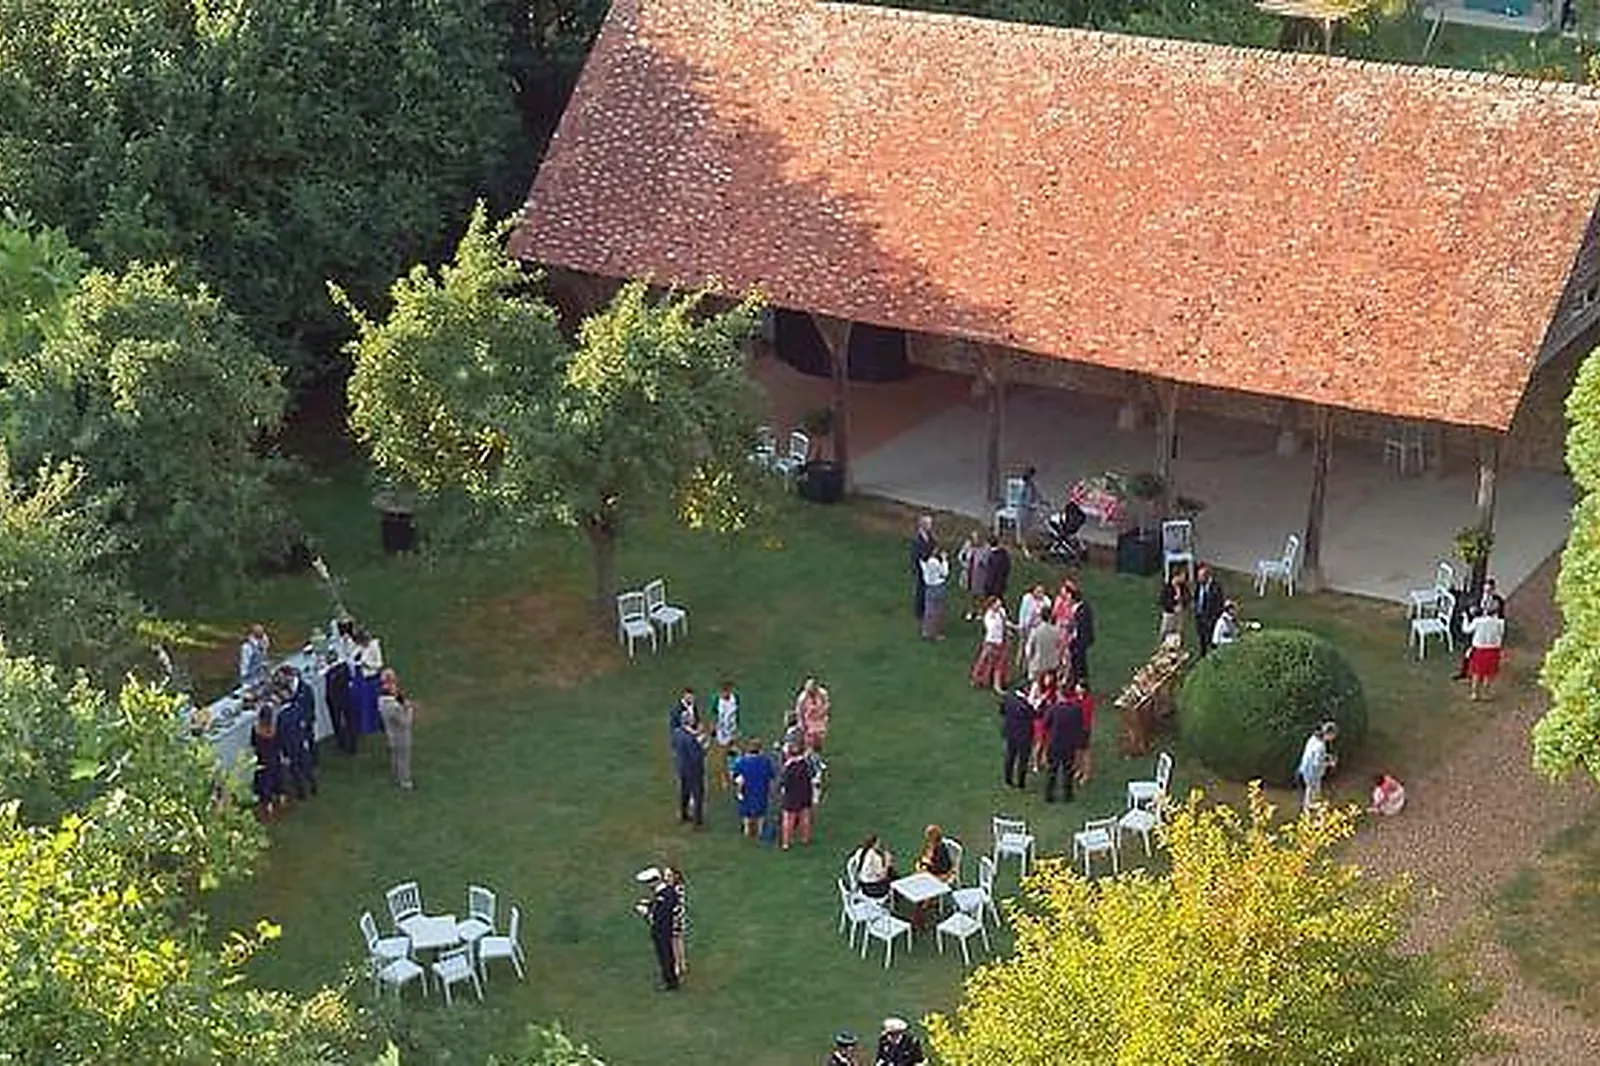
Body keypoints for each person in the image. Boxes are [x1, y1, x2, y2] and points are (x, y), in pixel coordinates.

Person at [637, 867, 684, 991]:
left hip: (663, 931)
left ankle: (670, 982)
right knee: (666, 955)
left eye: (648, 883)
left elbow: (659, 917)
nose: (648, 886)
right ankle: (671, 979)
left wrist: (645, 912)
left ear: (655, 881)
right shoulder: (666, 892)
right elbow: (659, 904)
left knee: (665, 956)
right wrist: (649, 903)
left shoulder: (665, 895)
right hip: (664, 929)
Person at [275, 667, 317, 800]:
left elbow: (281, 734)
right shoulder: (297, 709)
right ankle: (313, 785)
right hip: (300, 741)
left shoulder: (282, 716)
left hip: (291, 745)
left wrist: (284, 751)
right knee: (305, 766)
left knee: (296, 769)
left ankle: (302, 792)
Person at [1453, 577, 1506, 681]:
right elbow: (1471, 607)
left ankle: (1474, 673)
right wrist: (1472, 612)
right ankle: (1465, 672)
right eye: (1485, 590)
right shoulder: (1478, 597)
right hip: (1477, 625)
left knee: (1475, 651)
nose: (1487, 592)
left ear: (1493, 589)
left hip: (1487, 627)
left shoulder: (1498, 600)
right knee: (1468, 651)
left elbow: (1500, 615)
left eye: (1489, 590)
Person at [1043, 688, 1087, 804]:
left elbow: (1046, 724)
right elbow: (1080, 726)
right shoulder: (1076, 709)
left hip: (1055, 743)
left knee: (1052, 770)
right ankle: (1068, 795)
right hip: (1069, 744)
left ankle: (1049, 795)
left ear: (1060, 695)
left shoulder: (1053, 708)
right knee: (1068, 770)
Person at [377, 667, 416, 790]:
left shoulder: (382, 699)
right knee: (403, 758)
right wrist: (409, 710)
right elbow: (406, 722)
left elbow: (398, 699)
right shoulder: (393, 707)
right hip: (400, 735)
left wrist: (401, 700)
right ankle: (405, 782)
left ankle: (395, 777)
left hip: (391, 734)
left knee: (395, 756)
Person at [1462, 599, 1507, 702]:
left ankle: (1474, 693)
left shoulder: (1478, 621)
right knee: (1488, 673)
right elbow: (1501, 634)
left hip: (1479, 649)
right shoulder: (1500, 622)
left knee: (1476, 672)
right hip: (1494, 650)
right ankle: (1485, 693)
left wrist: (1465, 618)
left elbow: (1466, 630)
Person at [732, 739, 775, 839]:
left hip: (747, 789)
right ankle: (760, 830)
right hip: (761, 789)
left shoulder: (742, 761)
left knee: (746, 811)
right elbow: (771, 775)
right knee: (761, 811)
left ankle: (747, 830)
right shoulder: (765, 761)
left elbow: (736, 776)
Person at [672, 717, 707, 827]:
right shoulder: (691, 740)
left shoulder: (677, 733)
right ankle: (697, 821)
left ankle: (683, 814)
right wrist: (703, 747)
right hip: (694, 770)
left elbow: (674, 746)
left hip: (682, 767)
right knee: (698, 795)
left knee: (684, 792)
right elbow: (696, 756)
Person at [779, 744, 816, 850]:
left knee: (788, 819)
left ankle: (786, 842)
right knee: (805, 816)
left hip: (791, 795)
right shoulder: (805, 764)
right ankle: (806, 838)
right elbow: (812, 775)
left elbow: (784, 782)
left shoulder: (789, 767)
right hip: (805, 793)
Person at [999, 684, 1036, 789]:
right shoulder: (1025, 704)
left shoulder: (1009, 698)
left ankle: (1008, 780)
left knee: (1010, 756)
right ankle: (1021, 782)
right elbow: (1033, 714)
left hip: (1010, 732)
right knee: (1023, 759)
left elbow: (1002, 711)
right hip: (1024, 734)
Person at [970, 597, 1009, 693]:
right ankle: (978, 679)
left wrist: (1011, 628)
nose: (999, 605)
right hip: (992, 642)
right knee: (985, 662)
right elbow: (991, 630)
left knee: (999, 663)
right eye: (997, 603)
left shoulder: (1002, 611)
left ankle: (996, 683)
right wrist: (991, 645)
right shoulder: (989, 616)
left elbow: (1004, 623)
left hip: (1001, 641)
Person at [1297, 721, 1339, 811]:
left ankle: (1307, 808)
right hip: (1312, 773)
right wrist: (1330, 763)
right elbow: (1317, 763)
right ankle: (1309, 810)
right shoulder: (1321, 746)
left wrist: (1326, 756)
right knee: (1313, 797)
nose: (1333, 738)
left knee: (1310, 793)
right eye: (1333, 736)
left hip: (1305, 769)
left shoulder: (1313, 738)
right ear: (1329, 734)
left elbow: (1313, 754)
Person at [250, 704, 282, 819]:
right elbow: (279, 742)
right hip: (274, 757)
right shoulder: (274, 729)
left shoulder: (256, 729)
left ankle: (268, 803)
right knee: (276, 777)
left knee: (264, 780)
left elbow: (253, 743)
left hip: (262, 758)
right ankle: (280, 797)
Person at [323, 645, 357, 755]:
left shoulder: (334, 671)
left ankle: (347, 744)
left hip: (338, 698)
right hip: (342, 697)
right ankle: (346, 742)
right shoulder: (341, 667)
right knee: (345, 720)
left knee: (343, 720)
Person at [351, 628, 385, 735]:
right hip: (364, 679)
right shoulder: (360, 648)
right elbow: (352, 656)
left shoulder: (374, 646)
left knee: (378, 703)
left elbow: (379, 664)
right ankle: (370, 725)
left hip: (373, 678)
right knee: (368, 704)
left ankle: (382, 724)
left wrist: (368, 665)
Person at [1027, 670, 1059, 774]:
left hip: (1050, 717)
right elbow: (1031, 702)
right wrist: (1042, 699)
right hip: (1039, 717)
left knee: (1048, 741)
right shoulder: (1037, 687)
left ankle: (1044, 761)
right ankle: (1035, 763)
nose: (1049, 680)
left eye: (1051, 678)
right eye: (1047, 677)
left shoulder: (1054, 689)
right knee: (1039, 742)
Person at [1068, 679, 1097, 785]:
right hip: (1075, 729)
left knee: (1085, 752)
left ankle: (1086, 774)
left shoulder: (1087, 701)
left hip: (1084, 729)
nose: (1077, 688)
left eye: (1079, 687)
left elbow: (1085, 714)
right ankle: (1079, 770)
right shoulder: (1075, 699)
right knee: (1077, 751)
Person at [1014, 583, 1049, 669]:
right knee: (1022, 644)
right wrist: (1022, 625)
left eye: (1042, 592)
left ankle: (1028, 665)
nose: (1040, 594)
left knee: (1031, 647)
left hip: (1036, 627)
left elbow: (1047, 608)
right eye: (1038, 591)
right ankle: (1019, 663)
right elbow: (1023, 612)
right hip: (1026, 625)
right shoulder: (1027, 598)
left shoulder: (1044, 601)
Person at [1023, 609, 1063, 684]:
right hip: (1052, 662)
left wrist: (1029, 660)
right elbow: (1060, 646)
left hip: (1038, 663)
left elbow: (1030, 648)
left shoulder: (1036, 631)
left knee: (1037, 682)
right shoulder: (1056, 631)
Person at [713, 679, 740, 788]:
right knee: (722, 755)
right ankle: (723, 778)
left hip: (732, 730)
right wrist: (714, 730)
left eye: (728, 691)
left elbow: (737, 714)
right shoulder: (717, 701)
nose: (725, 694)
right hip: (722, 732)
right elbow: (715, 715)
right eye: (724, 692)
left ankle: (733, 774)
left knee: (734, 753)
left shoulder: (735, 698)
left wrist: (737, 730)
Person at [1065, 586, 1096, 682]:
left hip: (1082, 638)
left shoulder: (1083, 609)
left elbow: (1081, 625)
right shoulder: (1078, 608)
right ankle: (1076, 676)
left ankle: (1080, 678)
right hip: (1077, 638)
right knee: (1076, 657)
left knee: (1079, 658)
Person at [1193, 566, 1226, 656]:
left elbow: (1219, 603)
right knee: (1202, 638)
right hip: (1200, 617)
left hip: (1210, 618)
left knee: (1211, 638)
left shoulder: (1215, 588)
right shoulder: (1199, 586)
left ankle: (1213, 655)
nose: (1198, 579)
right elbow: (1196, 598)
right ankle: (1203, 653)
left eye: (1200, 576)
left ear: (1206, 576)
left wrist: (1214, 617)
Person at [919, 547, 950, 641]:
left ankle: (927, 631)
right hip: (938, 586)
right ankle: (936, 633)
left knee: (929, 610)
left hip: (929, 587)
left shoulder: (924, 562)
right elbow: (945, 573)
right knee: (937, 611)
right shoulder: (935, 562)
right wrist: (944, 560)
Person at [851, 834, 895, 899]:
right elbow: (882, 875)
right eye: (878, 843)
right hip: (872, 889)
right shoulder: (875, 858)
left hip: (861, 883)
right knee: (894, 878)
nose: (880, 845)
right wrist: (887, 862)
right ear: (874, 844)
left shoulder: (860, 851)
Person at [958, 530, 988, 621]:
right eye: (973, 537)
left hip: (979, 574)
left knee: (980, 594)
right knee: (969, 593)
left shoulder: (984, 548)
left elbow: (987, 560)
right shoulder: (967, 546)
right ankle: (970, 611)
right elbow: (961, 557)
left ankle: (980, 611)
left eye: (976, 537)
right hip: (968, 573)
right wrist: (964, 562)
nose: (975, 540)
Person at [795, 677, 831, 752]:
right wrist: (801, 723)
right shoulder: (803, 698)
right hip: (809, 719)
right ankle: (809, 753)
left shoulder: (822, 693)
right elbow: (799, 711)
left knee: (819, 737)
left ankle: (818, 750)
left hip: (820, 718)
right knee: (809, 739)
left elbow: (827, 704)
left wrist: (823, 712)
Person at [910, 514, 935, 621]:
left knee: (926, 588)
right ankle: (919, 611)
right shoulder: (917, 539)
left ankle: (926, 607)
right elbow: (916, 554)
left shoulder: (929, 536)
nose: (931, 526)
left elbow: (933, 545)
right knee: (920, 588)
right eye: (929, 524)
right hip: (921, 567)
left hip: (928, 567)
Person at [1158, 570, 1190, 643]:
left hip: (1180, 614)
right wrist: (1173, 607)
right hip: (1169, 614)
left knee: (1179, 633)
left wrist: (1183, 602)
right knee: (1165, 632)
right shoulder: (1168, 587)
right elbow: (1164, 600)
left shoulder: (1184, 588)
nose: (1184, 579)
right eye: (1182, 576)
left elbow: (1188, 598)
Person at [981, 533, 1011, 604]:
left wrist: (988, 587)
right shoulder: (1004, 555)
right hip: (1001, 584)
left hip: (992, 586)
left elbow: (990, 573)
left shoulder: (991, 556)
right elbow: (1007, 568)